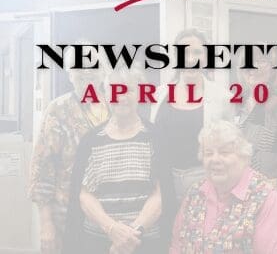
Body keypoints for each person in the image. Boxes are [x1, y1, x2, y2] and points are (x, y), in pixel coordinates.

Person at [63, 67, 161, 254]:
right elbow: (84, 195)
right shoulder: (90, 141)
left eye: (129, 90)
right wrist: (112, 229)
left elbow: (160, 193)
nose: (122, 96)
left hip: (143, 242)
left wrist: (131, 234)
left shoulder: (155, 137)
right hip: (98, 242)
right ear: (106, 96)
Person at [151, 28, 234, 248]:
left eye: (197, 52)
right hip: (164, 182)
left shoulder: (222, 97)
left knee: (203, 240)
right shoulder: (159, 95)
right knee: (170, 240)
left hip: (204, 180)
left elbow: (231, 145)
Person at [170, 120, 277, 254]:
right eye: (208, 153)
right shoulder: (195, 194)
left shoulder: (270, 201)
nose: (215, 159)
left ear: (244, 157)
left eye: (224, 152)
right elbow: (177, 246)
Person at [29, 63, 110, 254]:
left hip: (109, 216)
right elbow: (42, 168)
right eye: (79, 70)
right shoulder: (58, 109)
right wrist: (46, 223)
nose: (86, 73)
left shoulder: (115, 106)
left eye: (92, 69)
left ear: (103, 73)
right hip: (67, 216)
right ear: (70, 75)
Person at [236, 50, 277, 191]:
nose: (253, 67)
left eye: (261, 61)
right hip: (241, 186)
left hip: (269, 189)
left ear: (273, 69)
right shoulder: (240, 101)